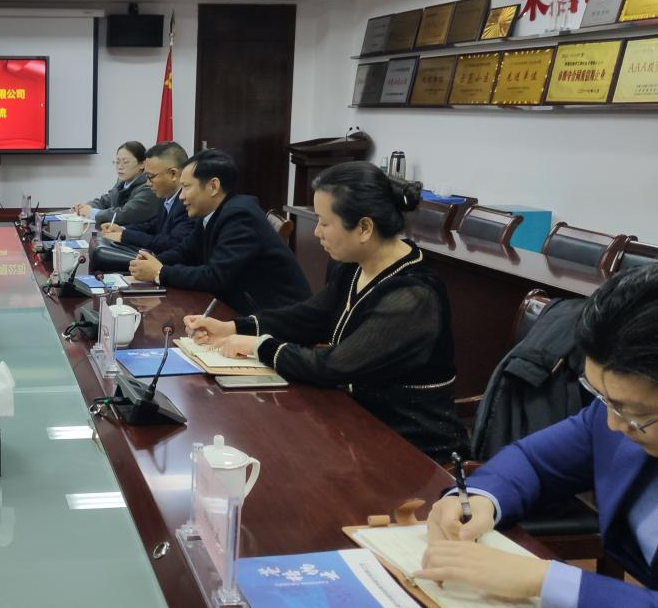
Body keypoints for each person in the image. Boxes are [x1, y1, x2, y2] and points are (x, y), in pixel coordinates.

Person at [183, 161, 467, 462]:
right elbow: (310, 317)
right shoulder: (354, 266)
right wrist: (233, 327)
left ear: (364, 228)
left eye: (324, 223)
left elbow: (334, 366)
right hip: (353, 423)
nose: (317, 232)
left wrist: (259, 346)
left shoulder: (412, 297)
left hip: (412, 448)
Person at [419, 265, 658, 605]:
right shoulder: (615, 415)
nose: (612, 424)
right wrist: (480, 498)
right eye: (601, 397)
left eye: (635, 412)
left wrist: (542, 579)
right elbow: (534, 462)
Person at [129, 148, 310, 314]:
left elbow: (215, 277)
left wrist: (160, 272)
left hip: (278, 318)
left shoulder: (240, 216)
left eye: (186, 187)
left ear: (213, 186)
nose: (181, 196)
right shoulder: (211, 213)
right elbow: (185, 252)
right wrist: (151, 263)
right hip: (240, 308)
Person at [98, 141, 194, 254]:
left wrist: (125, 236)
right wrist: (122, 230)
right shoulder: (167, 196)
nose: (148, 183)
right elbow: (154, 225)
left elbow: (171, 243)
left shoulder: (188, 203)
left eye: (150, 176)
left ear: (173, 174)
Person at [71, 141, 159, 226]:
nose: (120, 167)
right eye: (117, 162)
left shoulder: (149, 186)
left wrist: (92, 213)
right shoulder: (122, 182)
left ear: (142, 164)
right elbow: (105, 201)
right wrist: (84, 207)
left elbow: (125, 214)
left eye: (125, 162)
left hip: (136, 234)